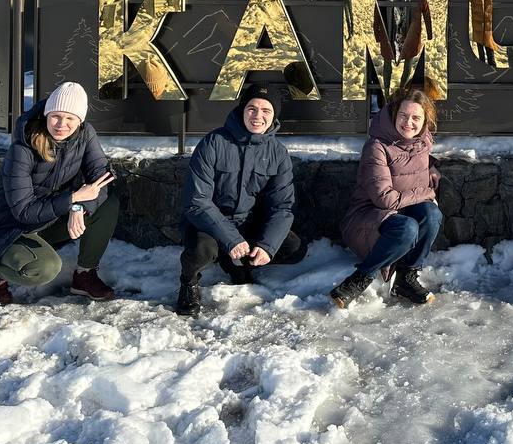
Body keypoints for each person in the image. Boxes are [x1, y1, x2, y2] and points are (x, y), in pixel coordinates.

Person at [0, 82, 118, 305]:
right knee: (44, 269)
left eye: (70, 118)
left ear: (80, 121)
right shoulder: (22, 149)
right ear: (46, 115)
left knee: (108, 204)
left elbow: (101, 180)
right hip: (9, 229)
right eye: (56, 116)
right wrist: (72, 199)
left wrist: (79, 207)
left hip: (48, 218)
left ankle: (84, 275)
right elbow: (24, 211)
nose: (62, 124)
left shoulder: (85, 135)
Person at [176, 84, 303, 317]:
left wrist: (266, 246)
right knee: (200, 251)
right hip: (209, 223)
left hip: (248, 223)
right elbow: (197, 201)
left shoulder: (278, 153)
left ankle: (238, 262)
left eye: (266, 111)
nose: (258, 116)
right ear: (242, 109)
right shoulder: (213, 143)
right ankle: (188, 282)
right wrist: (231, 239)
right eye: (252, 108)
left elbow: (282, 206)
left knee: (292, 248)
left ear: (274, 116)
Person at [331, 88, 444, 308]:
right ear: (393, 115)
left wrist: (432, 166)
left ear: (424, 121)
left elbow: (411, 159)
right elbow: (386, 201)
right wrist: (428, 192)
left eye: (416, 118)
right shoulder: (377, 146)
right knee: (408, 227)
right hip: (367, 221)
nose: (408, 122)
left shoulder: (422, 141)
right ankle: (360, 278)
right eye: (403, 115)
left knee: (431, 214)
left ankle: (406, 278)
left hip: (400, 216)